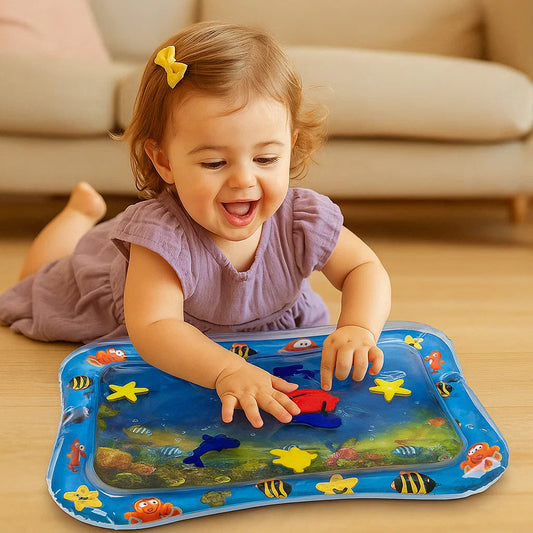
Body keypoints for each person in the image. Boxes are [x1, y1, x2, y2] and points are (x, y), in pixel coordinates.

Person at [0, 22, 391, 428]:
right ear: (164, 161)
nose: (244, 180)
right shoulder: (162, 239)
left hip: (264, 326)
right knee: (40, 284)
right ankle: (77, 216)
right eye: (214, 162)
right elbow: (156, 326)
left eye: (266, 159)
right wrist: (226, 370)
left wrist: (359, 326)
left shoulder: (301, 218)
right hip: (120, 297)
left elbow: (364, 268)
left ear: (289, 146)